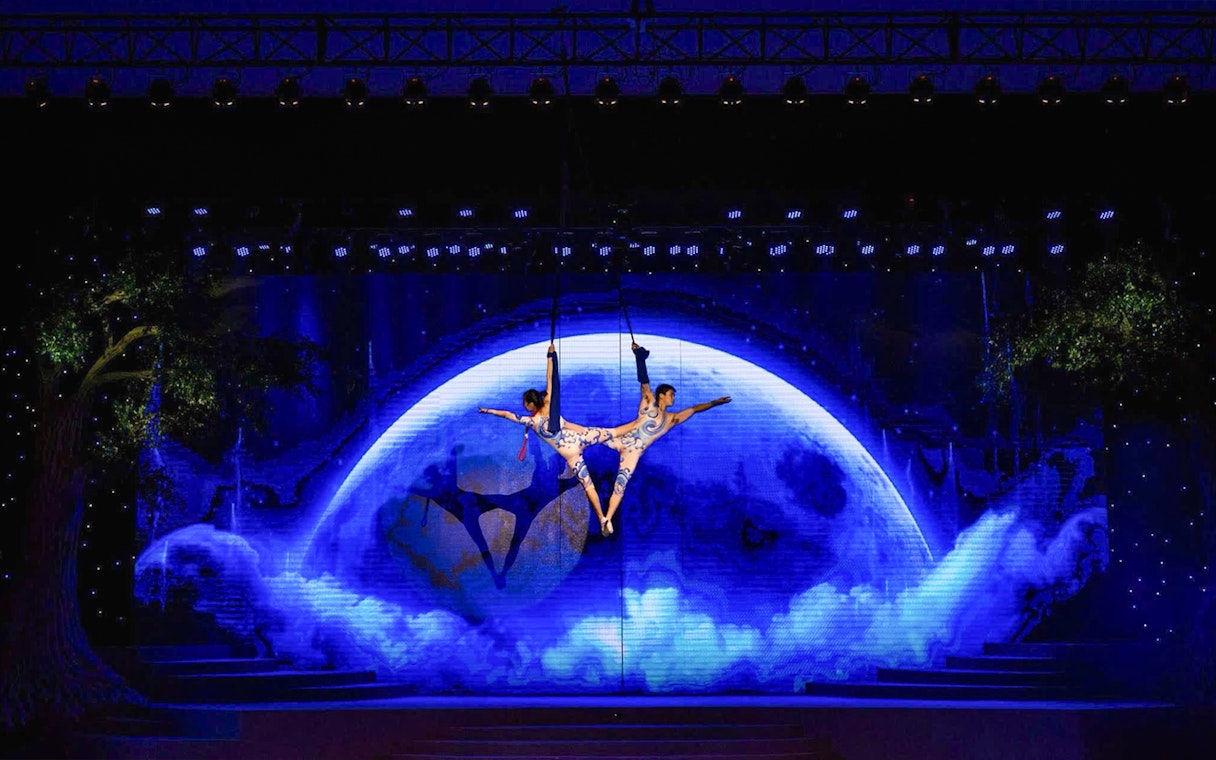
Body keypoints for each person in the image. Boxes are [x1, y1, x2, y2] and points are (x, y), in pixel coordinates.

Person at [479, 343, 636, 535]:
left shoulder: (532, 421)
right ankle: (640, 424)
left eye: (525, 403)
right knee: (612, 432)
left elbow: (508, 415)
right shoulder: (548, 403)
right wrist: (551, 357)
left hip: (570, 453)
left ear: (530, 403)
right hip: (579, 438)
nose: (524, 406)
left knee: (588, 485)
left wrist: (488, 411)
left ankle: (604, 518)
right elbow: (551, 379)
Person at [602, 342, 730, 533]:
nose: (673, 398)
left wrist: (714, 403)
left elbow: (694, 409)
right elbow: (644, 382)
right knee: (589, 435)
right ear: (662, 395)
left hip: (634, 453)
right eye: (671, 394)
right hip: (620, 437)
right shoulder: (648, 403)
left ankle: (607, 519)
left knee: (620, 485)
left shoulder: (672, 419)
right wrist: (639, 357)